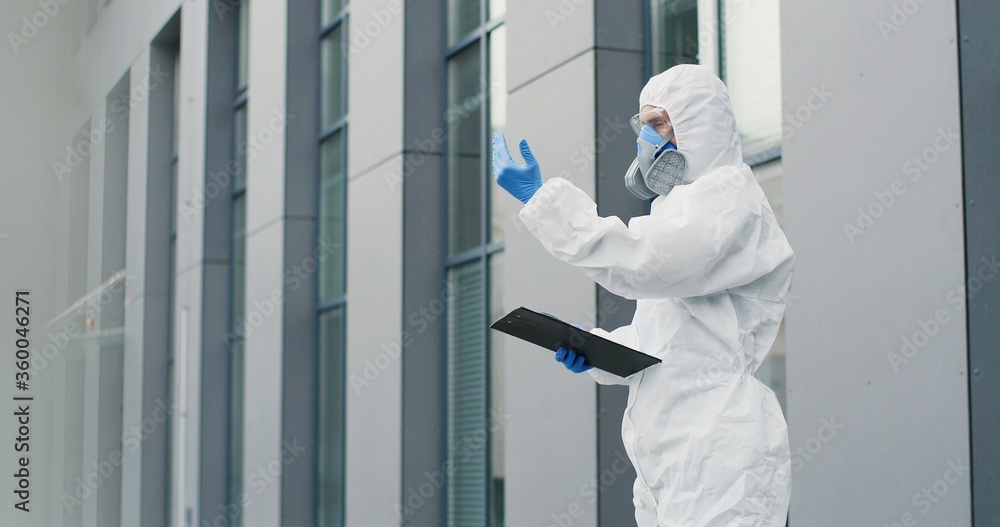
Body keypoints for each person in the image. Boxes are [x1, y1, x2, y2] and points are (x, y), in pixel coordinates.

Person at [492, 64, 793, 526]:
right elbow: (670, 344)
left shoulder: (729, 198)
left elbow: (639, 263)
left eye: (658, 123)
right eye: (644, 125)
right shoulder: (682, 210)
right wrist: (594, 349)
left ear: (700, 125)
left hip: (719, 451)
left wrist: (542, 200)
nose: (646, 139)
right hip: (669, 452)